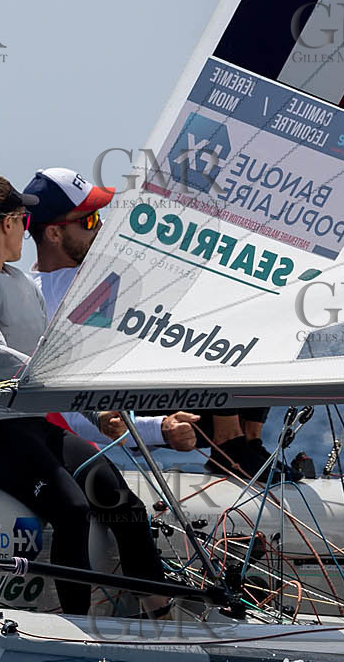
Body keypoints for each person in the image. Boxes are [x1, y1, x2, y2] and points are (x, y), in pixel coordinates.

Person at [0, 172, 167, 616]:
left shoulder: (19, 283)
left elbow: (48, 360)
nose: (27, 230)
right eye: (23, 219)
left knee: (122, 501)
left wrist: (98, 415)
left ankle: (162, 613)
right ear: (8, 223)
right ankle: (76, 629)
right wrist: (63, 386)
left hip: (31, 426)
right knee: (72, 510)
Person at [21, 167, 274, 476]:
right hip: (130, 407)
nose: (100, 228)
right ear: (54, 234)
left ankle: (247, 440)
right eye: (89, 221)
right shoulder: (37, 301)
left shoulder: (105, 271)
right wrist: (162, 429)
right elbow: (78, 413)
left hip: (171, 389)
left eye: (102, 218)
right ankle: (229, 441)